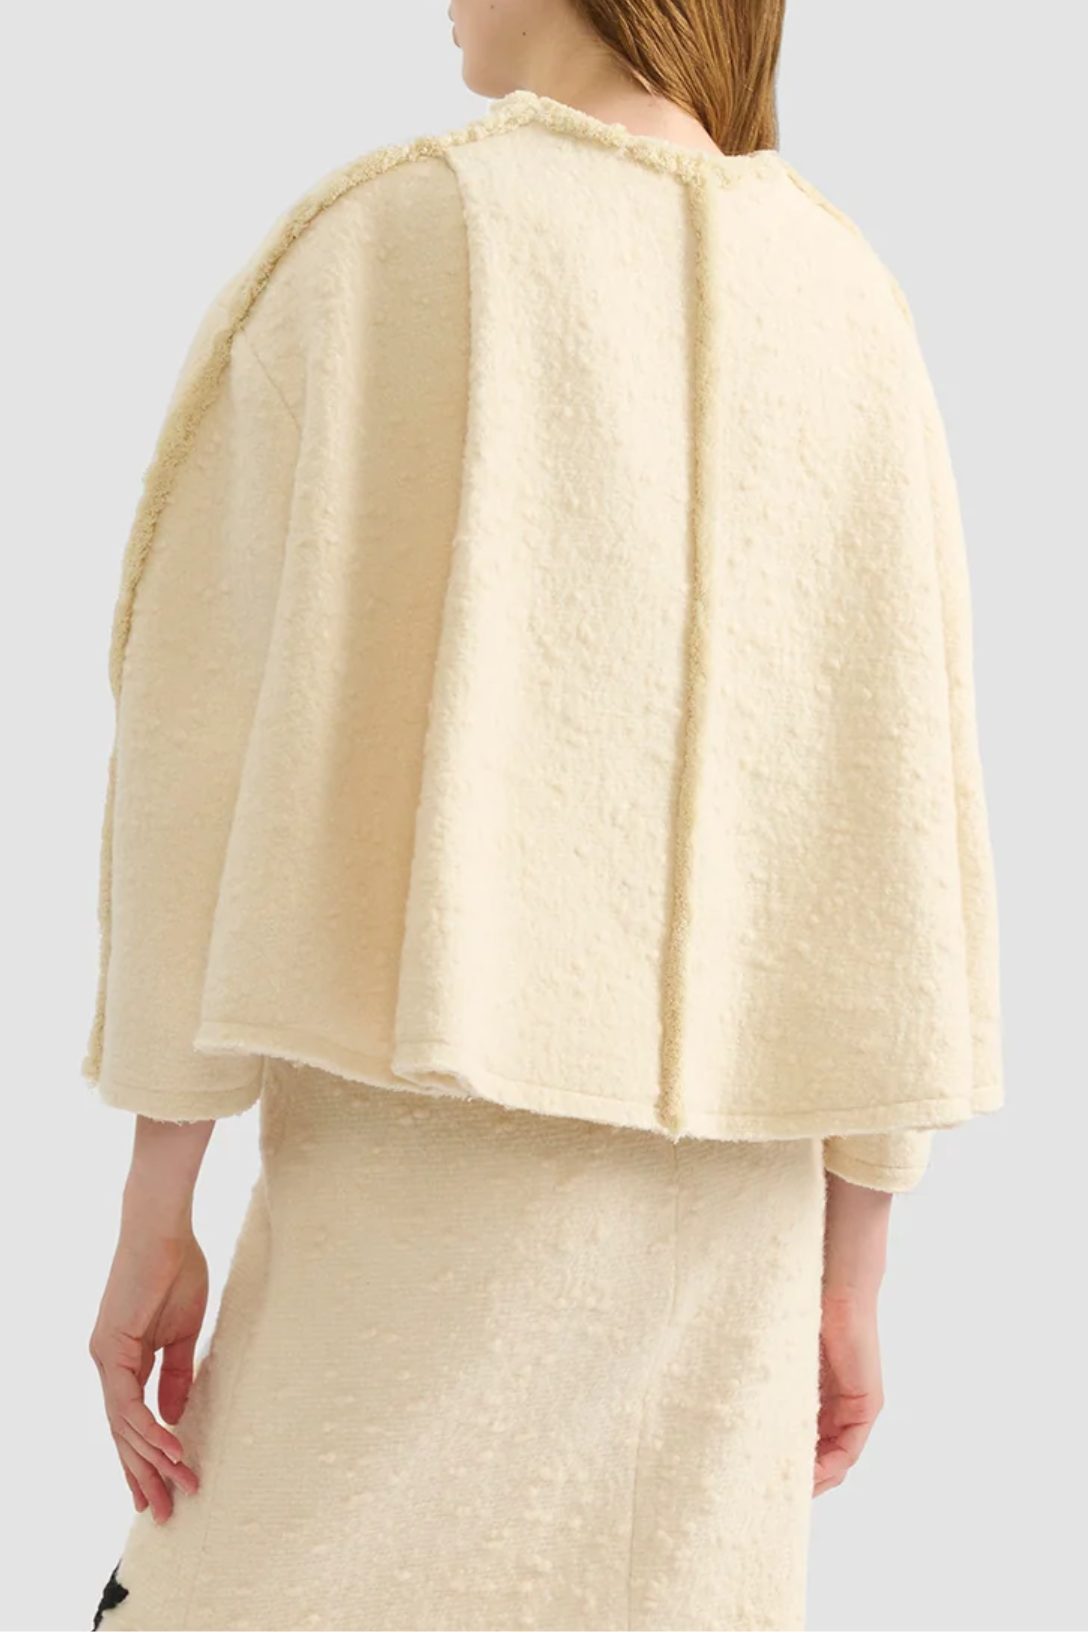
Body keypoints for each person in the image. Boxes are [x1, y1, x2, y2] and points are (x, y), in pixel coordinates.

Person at [85, 3, 1004, 1629]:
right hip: (726, 1237)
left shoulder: (386, 240)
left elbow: (194, 737)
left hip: (400, 1196)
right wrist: (855, 1259)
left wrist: (159, 1200)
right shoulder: (849, 298)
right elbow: (900, 814)